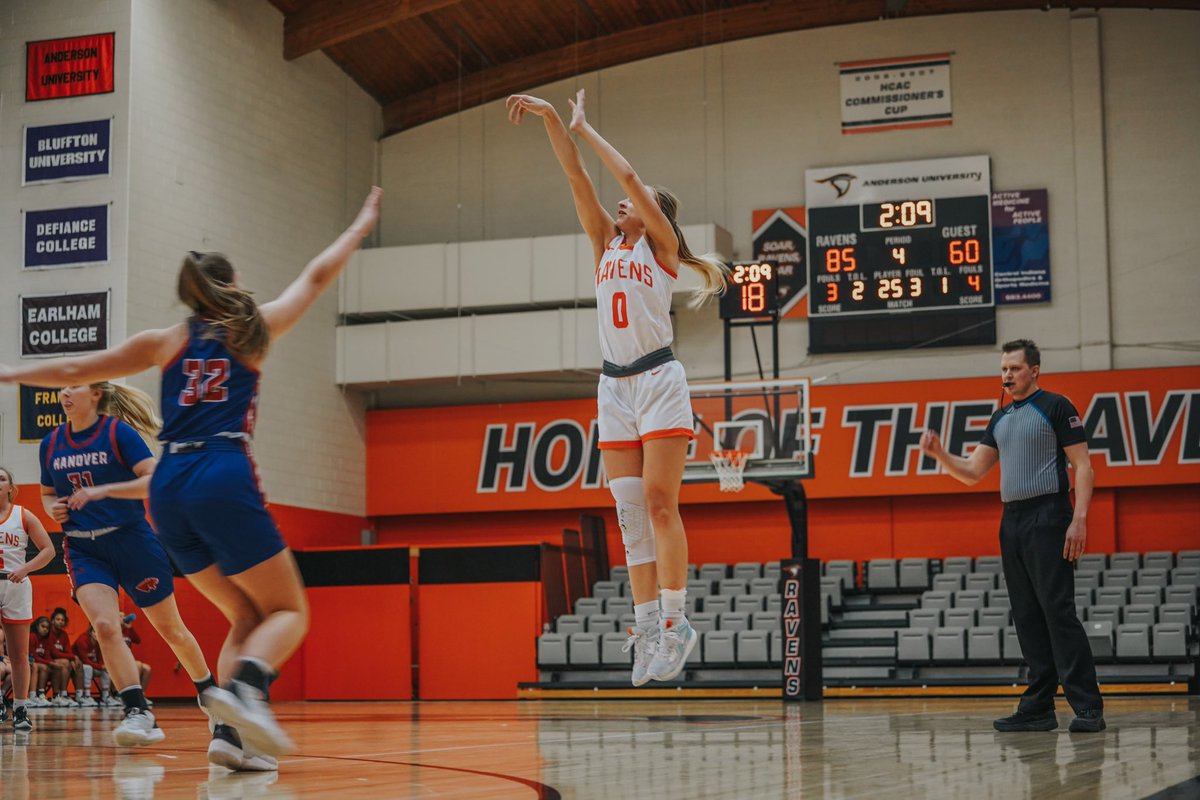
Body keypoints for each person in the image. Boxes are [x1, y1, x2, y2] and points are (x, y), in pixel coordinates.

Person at [0, 185, 383, 757]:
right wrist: (359, 226)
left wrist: (11, 373)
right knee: (288, 610)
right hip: (219, 467)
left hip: (170, 486)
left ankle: (229, 738)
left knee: (245, 613)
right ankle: (249, 689)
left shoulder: (167, 340)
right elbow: (317, 276)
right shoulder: (252, 329)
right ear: (230, 286)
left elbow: (79, 365)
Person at [507, 91, 726, 684]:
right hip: (614, 387)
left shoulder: (662, 250)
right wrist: (555, 121)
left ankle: (678, 623)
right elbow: (575, 172)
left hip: (658, 378)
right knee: (629, 516)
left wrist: (586, 124)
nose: (626, 198)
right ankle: (648, 626)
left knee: (659, 504)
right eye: (628, 200)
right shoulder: (605, 241)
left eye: (640, 200)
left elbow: (623, 171)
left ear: (659, 216)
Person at [40, 382, 249, 751]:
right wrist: (52, 508)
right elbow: (47, 493)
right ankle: (139, 711)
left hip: (132, 540)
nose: (65, 393)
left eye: (76, 386)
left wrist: (104, 492)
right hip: (83, 547)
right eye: (63, 386)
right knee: (105, 626)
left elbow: (156, 480)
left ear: (97, 395)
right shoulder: (52, 443)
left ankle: (208, 695)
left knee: (172, 630)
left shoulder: (119, 434)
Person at [919, 338, 1105, 733]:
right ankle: (1038, 707)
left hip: (1050, 514)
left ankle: (1088, 706)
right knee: (1026, 616)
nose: (1007, 375)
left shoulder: (1056, 406)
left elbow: (1084, 467)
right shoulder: (999, 417)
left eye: (1014, 368)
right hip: (1013, 519)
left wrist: (1080, 519)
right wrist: (940, 455)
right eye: (1003, 369)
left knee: (1058, 612)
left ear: (1034, 370)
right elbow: (971, 472)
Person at [0, 469, 55, 733]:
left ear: (11, 487)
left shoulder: (23, 514)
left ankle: (20, 708)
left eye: (1, 479)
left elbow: (49, 550)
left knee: (19, 654)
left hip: (16, 585)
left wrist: (25, 568)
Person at [47, 608, 85, 707]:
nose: (60, 622)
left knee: (78, 664)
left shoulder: (63, 634)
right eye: (58, 619)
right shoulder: (49, 632)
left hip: (62, 661)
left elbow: (68, 650)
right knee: (66, 662)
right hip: (50, 661)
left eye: (62, 620)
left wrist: (73, 658)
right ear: (52, 620)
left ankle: (79, 696)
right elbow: (54, 653)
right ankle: (62, 694)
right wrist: (72, 657)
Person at [73, 625, 110, 707]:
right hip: (77, 666)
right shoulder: (82, 640)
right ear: (90, 632)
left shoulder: (100, 642)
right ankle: (87, 695)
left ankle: (105, 696)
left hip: (91, 666)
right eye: (95, 632)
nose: (97, 634)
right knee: (88, 668)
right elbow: (84, 660)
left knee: (106, 669)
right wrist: (100, 667)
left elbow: (100, 659)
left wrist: (103, 666)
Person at [28, 616, 55, 707]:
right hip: (30, 661)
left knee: (50, 667)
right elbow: (32, 656)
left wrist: (52, 663)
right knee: (43, 667)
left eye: (47, 628)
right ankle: (35, 695)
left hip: (38, 662)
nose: (45, 629)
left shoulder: (46, 640)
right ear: (37, 626)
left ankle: (56, 695)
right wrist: (49, 663)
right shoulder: (32, 636)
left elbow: (47, 656)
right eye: (43, 626)